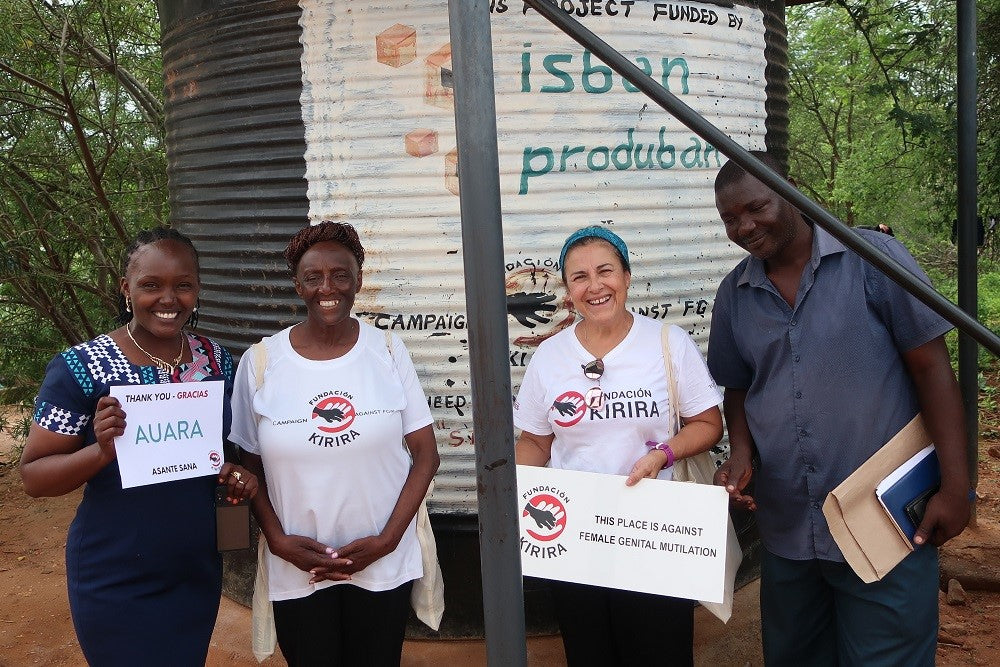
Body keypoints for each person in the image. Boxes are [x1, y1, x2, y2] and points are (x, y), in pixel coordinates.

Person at [707, 151, 972, 666]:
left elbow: (933, 371)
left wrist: (957, 487)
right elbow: (737, 388)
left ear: (791, 190)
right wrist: (740, 452)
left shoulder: (874, 259)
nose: (745, 227)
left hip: (884, 519)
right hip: (788, 527)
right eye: (729, 219)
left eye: (756, 207)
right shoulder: (734, 294)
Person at [19, 227, 259, 666]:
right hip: (115, 574)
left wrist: (235, 475)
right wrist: (101, 451)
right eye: (151, 285)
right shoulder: (82, 367)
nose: (168, 299)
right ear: (126, 288)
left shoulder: (216, 361)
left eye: (183, 285)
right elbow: (34, 478)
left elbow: (219, 455)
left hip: (195, 568)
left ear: (197, 290)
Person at [230, 221, 440, 666]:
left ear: (358, 280)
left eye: (340, 275)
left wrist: (387, 540)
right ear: (298, 285)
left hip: (381, 561)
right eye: (313, 277)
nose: (328, 288)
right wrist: (277, 540)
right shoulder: (261, 362)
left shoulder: (387, 351)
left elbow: (426, 455)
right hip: (297, 564)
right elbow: (249, 468)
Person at [513, 226, 724, 666]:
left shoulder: (667, 343)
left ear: (626, 277)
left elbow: (708, 424)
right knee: (589, 652)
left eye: (605, 271)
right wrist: (512, 503)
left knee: (660, 650)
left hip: (654, 533)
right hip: (575, 536)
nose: (595, 286)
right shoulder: (550, 356)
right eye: (580, 277)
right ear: (568, 290)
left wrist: (663, 454)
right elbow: (534, 442)